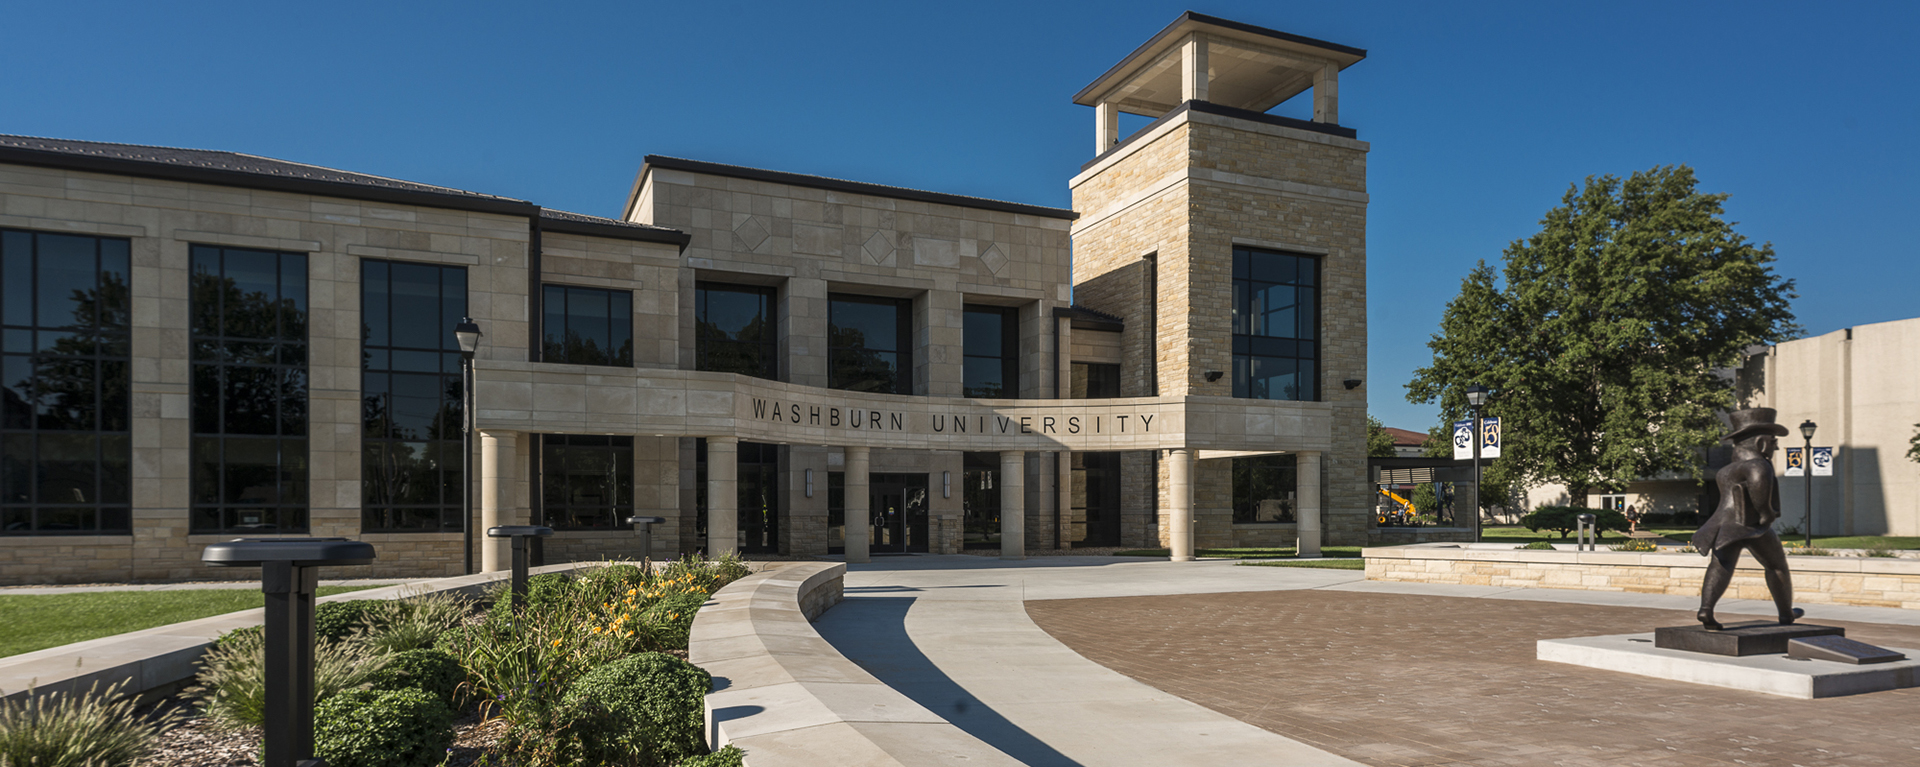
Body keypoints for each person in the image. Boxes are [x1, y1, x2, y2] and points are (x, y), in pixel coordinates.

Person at [1693, 408, 1801, 630]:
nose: (1776, 446)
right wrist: (1766, 513)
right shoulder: (1758, 465)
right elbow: (1758, 485)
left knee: (1721, 563)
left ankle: (1706, 608)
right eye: (1773, 441)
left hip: (1725, 526)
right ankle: (1786, 614)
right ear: (1761, 443)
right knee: (1777, 565)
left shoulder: (1725, 470)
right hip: (1751, 527)